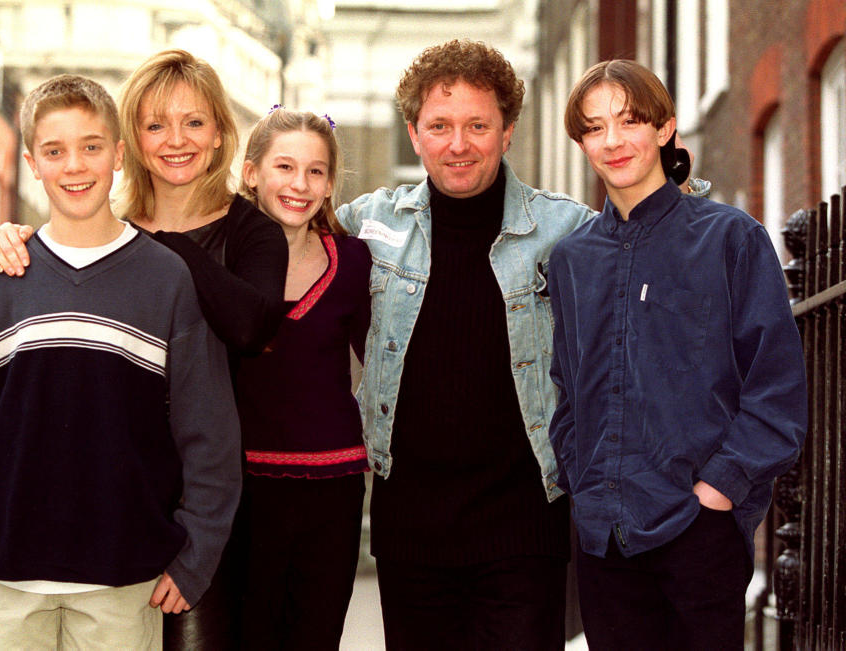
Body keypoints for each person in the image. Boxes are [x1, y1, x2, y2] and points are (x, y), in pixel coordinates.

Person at [0, 50, 289, 650]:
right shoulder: (103, 238)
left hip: (223, 493)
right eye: (155, 124)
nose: (176, 140)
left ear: (220, 132)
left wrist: (165, 246)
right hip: (121, 498)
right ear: (131, 143)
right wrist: (14, 237)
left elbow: (252, 327)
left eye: (194, 122)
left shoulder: (251, 232)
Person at [0, 74, 241, 649]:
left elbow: (208, 432)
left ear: (118, 155)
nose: (75, 165)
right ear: (32, 163)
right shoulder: (0, 280)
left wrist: (196, 554)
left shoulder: (166, 279)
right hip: (8, 578)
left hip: (123, 579)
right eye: (55, 150)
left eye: (91, 146)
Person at [334, 39, 593, 650]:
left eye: (478, 125)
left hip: (525, 520)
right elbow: (279, 231)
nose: (458, 144)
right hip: (410, 523)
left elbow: (648, 250)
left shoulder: (566, 228)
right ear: (414, 134)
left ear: (507, 133)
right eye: (440, 126)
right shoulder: (366, 223)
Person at [547, 59, 807, 650]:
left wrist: (719, 490)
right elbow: (569, 388)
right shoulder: (570, 260)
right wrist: (579, 477)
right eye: (593, 128)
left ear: (665, 129)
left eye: (629, 121)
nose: (612, 141)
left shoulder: (730, 238)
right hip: (603, 538)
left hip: (698, 531)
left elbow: (776, 386)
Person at [234, 108, 371, 650]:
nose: (300, 184)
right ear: (251, 174)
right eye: (284, 166)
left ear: (331, 183)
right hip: (242, 490)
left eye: (316, 171)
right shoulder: (221, 259)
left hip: (332, 491)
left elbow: (389, 362)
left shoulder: (355, 262)